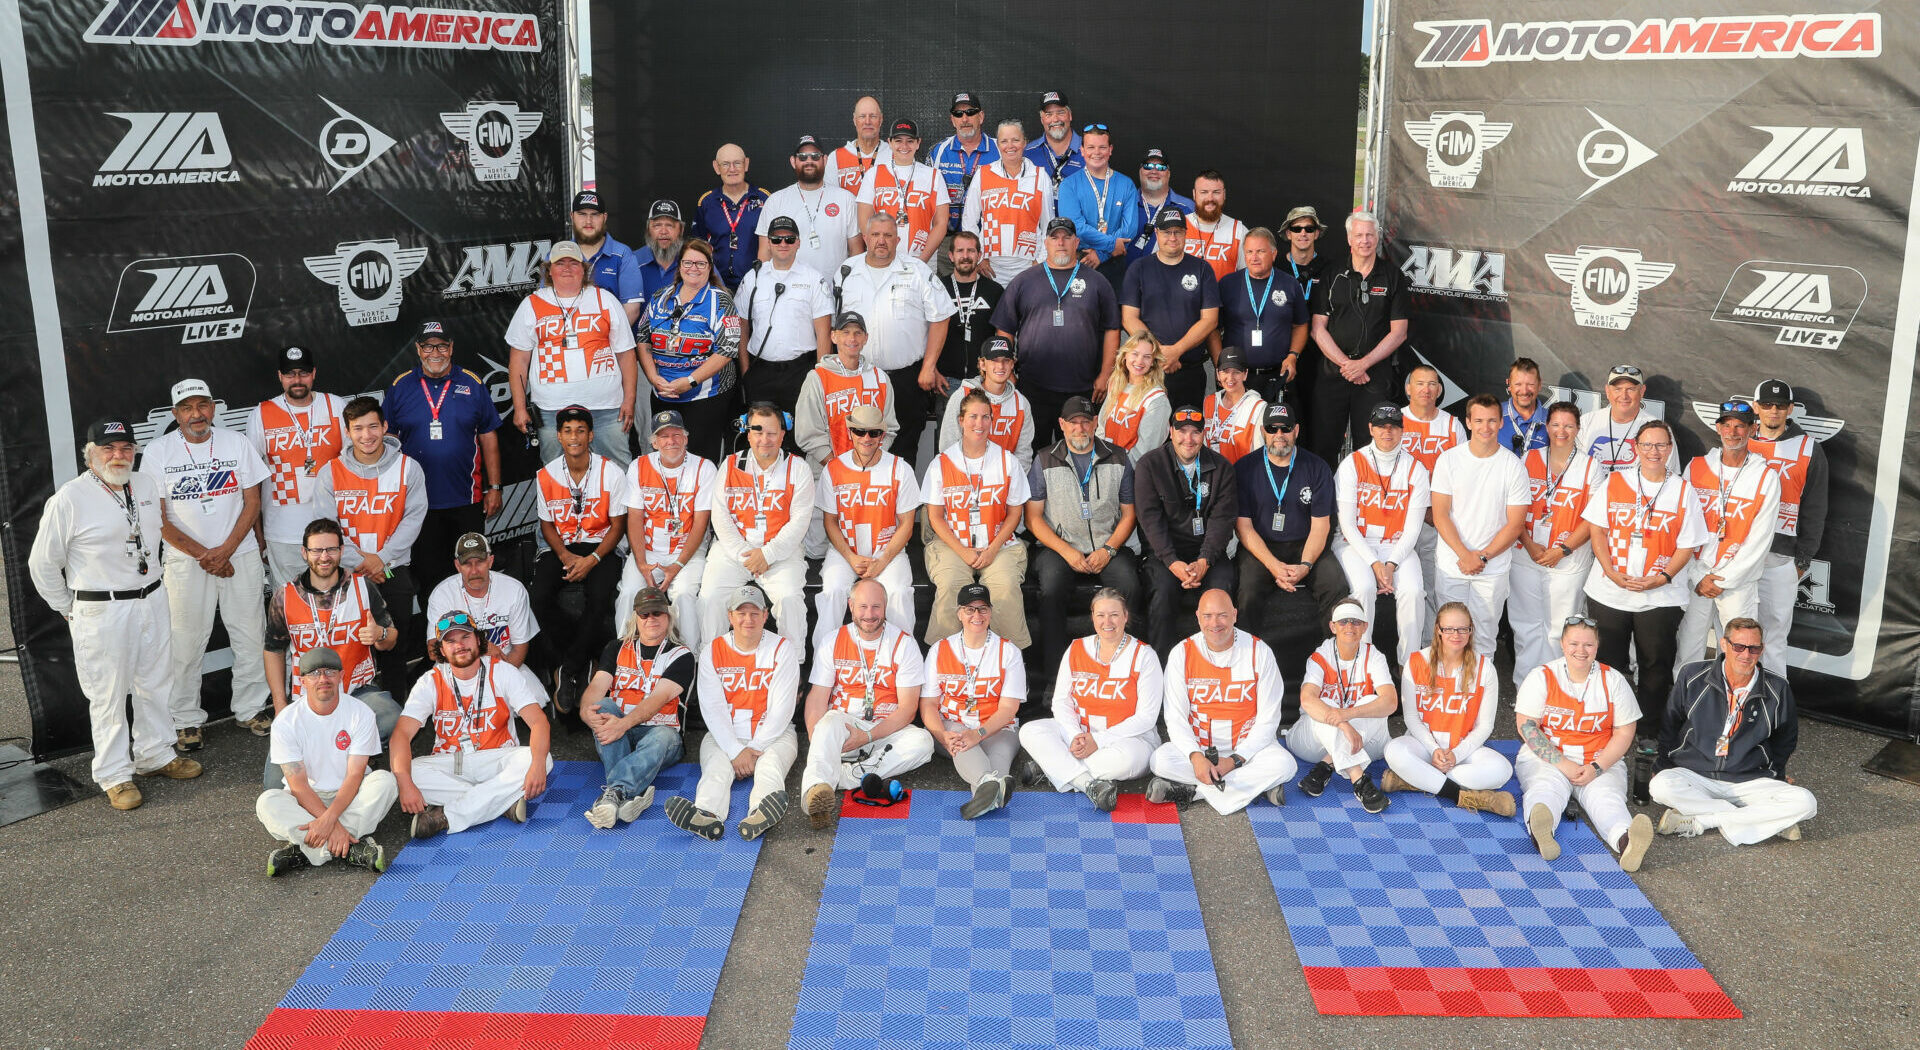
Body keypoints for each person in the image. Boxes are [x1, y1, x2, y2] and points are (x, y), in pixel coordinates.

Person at [28, 417, 197, 810]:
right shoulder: (69, 499)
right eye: (108, 448)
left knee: (155, 681)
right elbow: (41, 565)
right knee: (107, 694)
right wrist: (71, 609)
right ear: (90, 456)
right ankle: (114, 774)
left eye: (125, 448)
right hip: (101, 609)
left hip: (151, 598)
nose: (118, 455)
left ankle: (155, 754)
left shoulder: (146, 485)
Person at [142, 378, 270, 749]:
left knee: (249, 634)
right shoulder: (158, 452)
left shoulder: (237, 443)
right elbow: (159, 518)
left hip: (240, 554)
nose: (196, 414)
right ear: (175, 414)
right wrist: (206, 556)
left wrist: (226, 550)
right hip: (186, 562)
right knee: (185, 642)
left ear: (213, 408)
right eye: (187, 407)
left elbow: (253, 503)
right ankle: (185, 720)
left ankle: (250, 709)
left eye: (202, 405)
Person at [1581, 419, 1708, 742]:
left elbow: (1688, 544)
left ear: (1670, 449)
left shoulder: (1683, 490)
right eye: (1647, 445)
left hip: (1661, 595)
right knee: (1608, 664)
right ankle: (1606, 727)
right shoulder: (1615, 482)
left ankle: (1648, 732)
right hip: (1610, 592)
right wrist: (1609, 571)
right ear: (1636, 448)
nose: (1654, 451)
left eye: (1661, 445)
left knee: (1655, 666)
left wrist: (1661, 578)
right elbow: (1597, 528)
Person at [1652, 618, 1817, 844]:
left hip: (1749, 779)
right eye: (1738, 646)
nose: (1745, 655)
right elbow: (1671, 723)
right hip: (1696, 772)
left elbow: (1786, 738)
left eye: (1754, 648)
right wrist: (1661, 765)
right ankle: (1760, 819)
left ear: (1762, 649)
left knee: (1806, 802)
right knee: (1660, 786)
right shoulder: (1692, 675)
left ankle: (1701, 821)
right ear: (1724, 644)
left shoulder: (1778, 688)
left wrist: (1776, 774)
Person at [263, 519, 403, 783]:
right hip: (307, 699)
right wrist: (281, 706)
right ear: (304, 553)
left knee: (391, 716)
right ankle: (335, 762)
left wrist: (380, 635)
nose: (324, 557)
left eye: (331, 550)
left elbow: (391, 639)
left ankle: (344, 760)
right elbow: (273, 650)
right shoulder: (285, 596)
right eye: (316, 551)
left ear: (341, 551)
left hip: (357, 692)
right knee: (272, 786)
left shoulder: (363, 587)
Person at [392, 611, 553, 839]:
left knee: (541, 759)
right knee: (409, 772)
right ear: (441, 649)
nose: (459, 646)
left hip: (497, 758)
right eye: (450, 641)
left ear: (478, 639)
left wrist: (536, 765)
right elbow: (400, 735)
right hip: (453, 763)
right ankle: (501, 803)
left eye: (465, 637)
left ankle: (445, 816)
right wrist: (406, 783)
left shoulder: (503, 671)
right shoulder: (430, 681)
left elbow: (539, 722)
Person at [1514, 617, 1655, 872]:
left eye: (1588, 645)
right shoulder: (1542, 676)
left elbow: (1625, 732)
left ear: (1597, 646)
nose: (1581, 650)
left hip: (1599, 759)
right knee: (1544, 790)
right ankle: (1542, 833)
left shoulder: (1613, 680)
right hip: (1550, 759)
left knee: (1607, 800)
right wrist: (1563, 764)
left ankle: (1628, 842)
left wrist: (1597, 767)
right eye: (1574, 643)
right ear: (1562, 644)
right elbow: (1527, 727)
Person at [312, 396, 428, 695]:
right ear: (348, 432)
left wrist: (382, 560)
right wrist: (363, 562)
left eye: (373, 426)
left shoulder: (408, 468)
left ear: (385, 426)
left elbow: (414, 518)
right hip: (348, 574)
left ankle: (396, 712)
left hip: (391, 570)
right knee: (348, 646)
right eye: (358, 428)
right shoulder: (330, 472)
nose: (367, 435)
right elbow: (328, 528)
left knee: (394, 644)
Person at [800, 579, 937, 828]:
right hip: (843, 726)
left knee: (923, 743)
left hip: (884, 732)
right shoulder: (833, 640)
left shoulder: (904, 644)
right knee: (827, 721)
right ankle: (814, 793)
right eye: (862, 607)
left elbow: (907, 709)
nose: (869, 615)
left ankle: (838, 778)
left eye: (876, 607)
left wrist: (867, 737)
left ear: (886, 607)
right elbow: (817, 698)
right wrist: (817, 740)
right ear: (851, 606)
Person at [1233, 402, 1345, 700]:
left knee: (1336, 586)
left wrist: (1306, 565)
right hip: (1261, 546)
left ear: (1296, 430)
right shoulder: (1245, 468)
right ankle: (1245, 671)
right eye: (1272, 429)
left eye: (1285, 428)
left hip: (1306, 544)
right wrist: (1273, 566)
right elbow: (1243, 527)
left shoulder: (1317, 467)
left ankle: (1335, 670)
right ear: (1263, 432)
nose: (1279, 434)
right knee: (1248, 591)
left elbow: (1322, 526)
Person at [670, 583, 799, 841]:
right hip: (725, 734)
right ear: (730, 616)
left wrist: (753, 749)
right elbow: (712, 708)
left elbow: (782, 709)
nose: (747, 619)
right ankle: (706, 815)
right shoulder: (713, 650)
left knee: (770, 767)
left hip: (775, 734)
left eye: (754, 613)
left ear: (765, 615)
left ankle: (760, 813)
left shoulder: (782, 648)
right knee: (716, 769)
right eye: (741, 613)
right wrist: (734, 750)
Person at [383, 320, 504, 596]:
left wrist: (494, 487)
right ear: (417, 349)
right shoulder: (401, 387)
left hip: (466, 499)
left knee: (472, 572)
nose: (434, 352)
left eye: (441, 345)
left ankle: (473, 633)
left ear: (451, 348)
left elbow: (488, 438)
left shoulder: (472, 384)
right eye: (427, 346)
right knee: (428, 576)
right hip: (418, 504)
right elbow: (387, 443)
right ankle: (434, 637)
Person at [1148, 588, 1293, 813]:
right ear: (1197, 617)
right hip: (1201, 747)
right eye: (1207, 616)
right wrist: (1196, 757)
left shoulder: (1259, 651)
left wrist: (1235, 760)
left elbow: (1269, 720)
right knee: (1159, 760)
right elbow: (1175, 718)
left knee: (1285, 764)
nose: (1215, 623)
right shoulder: (1182, 653)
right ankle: (1255, 788)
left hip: (1246, 750)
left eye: (1222, 615)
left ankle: (1192, 792)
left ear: (1235, 615)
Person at [1017, 587, 1161, 811]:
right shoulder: (1077, 648)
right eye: (1100, 615)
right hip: (1080, 734)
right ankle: (1088, 784)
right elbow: (1061, 702)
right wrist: (1075, 735)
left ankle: (1052, 768)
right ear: (1092, 616)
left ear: (1126, 616)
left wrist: (1099, 741)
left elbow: (1147, 718)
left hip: (1127, 740)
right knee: (1029, 730)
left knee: (1127, 761)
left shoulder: (1144, 655)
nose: (1107, 622)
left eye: (1114, 614)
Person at [257, 646, 396, 875]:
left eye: (330, 672)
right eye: (314, 673)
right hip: (308, 800)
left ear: (341, 676)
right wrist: (332, 825)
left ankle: (306, 851)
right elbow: (299, 787)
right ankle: (350, 847)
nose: (323, 679)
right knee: (267, 802)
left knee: (385, 782)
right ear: (302, 681)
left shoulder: (361, 713)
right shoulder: (286, 721)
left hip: (351, 793)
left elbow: (355, 774)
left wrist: (328, 821)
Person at [1026, 396, 1140, 673]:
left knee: (1131, 586)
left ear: (1095, 424)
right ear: (1062, 425)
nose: (1080, 428)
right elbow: (1032, 519)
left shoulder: (1119, 457)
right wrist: (1067, 551)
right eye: (1073, 422)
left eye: (1086, 422)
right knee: (1051, 591)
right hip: (1057, 548)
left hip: (1107, 546)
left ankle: (1129, 669)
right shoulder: (1043, 460)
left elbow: (1129, 514)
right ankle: (1054, 677)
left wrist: (1109, 549)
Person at [530, 406, 629, 710]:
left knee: (599, 597)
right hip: (562, 548)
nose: (574, 437)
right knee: (538, 596)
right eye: (568, 431)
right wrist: (564, 555)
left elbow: (618, 525)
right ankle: (581, 655)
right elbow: (547, 524)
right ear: (558, 436)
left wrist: (593, 560)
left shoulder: (611, 472)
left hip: (601, 548)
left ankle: (570, 667)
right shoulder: (545, 475)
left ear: (591, 435)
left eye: (580, 430)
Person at [989, 217, 1120, 446]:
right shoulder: (1024, 281)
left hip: (1082, 388)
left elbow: (1112, 330)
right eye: (1054, 237)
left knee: (1077, 452)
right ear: (1045, 242)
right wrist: (1008, 372)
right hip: (1032, 387)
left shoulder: (1098, 282)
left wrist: (1105, 375)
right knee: (1032, 452)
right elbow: (1005, 329)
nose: (1061, 242)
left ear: (1076, 242)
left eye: (1067, 237)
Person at [506, 240, 639, 466]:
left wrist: (629, 399)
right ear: (549, 270)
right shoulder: (532, 304)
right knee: (556, 474)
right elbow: (518, 360)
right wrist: (519, 408)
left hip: (606, 408)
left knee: (616, 470)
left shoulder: (605, 299)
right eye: (560, 263)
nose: (567, 268)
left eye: (573, 263)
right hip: (551, 410)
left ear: (584, 269)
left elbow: (626, 354)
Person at [830, 221, 953, 456]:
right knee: (856, 447)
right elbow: (833, 322)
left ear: (898, 240)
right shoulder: (847, 271)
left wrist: (929, 366)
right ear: (865, 238)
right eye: (875, 234)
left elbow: (941, 316)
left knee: (904, 449)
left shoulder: (916, 270)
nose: (881, 240)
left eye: (888, 235)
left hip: (905, 379)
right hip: (858, 378)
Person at [1382, 602, 1517, 815]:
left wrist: (1456, 754)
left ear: (1471, 630)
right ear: (1438, 630)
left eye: (1463, 629)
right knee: (1394, 751)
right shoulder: (1417, 661)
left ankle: (1415, 781)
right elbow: (1410, 716)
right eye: (1449, 629)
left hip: (1462, 750)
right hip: (1423, 747)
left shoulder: (1485, 668)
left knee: (1503, 771)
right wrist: (1433, 749)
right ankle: (1466, 797)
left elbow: (1485, 726)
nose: (1457, 634)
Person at [1676, 400, 1782, 670]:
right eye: (1727, 425)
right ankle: (1686, 707)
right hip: (1696, 576)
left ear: (1752, 429)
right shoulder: (1697, 466)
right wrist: (1697, 574)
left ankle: (1734, 707)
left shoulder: (1765, 476)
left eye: (1740, 426)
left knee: (1740, 654)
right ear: (1718, 427)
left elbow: (1761, 539)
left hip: (1737, 582)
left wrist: (1726, 578)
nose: (1733, 432)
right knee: (1688, 648)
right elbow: (1681, 525)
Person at [921, 390, 1031, 646]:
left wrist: (992, 550)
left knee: (1005, 588)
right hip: (953, 544)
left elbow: (1015, 513)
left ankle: (1009, 663)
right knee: (950, 586)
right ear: (960, 420)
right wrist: (962, 551)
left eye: (985, 417)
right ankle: (943, 664)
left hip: (998, 544)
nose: (979, 424)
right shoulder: (942, 462)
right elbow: (935, 517)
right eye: (973, 417)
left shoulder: (1007, 461)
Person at [700, 402, 814, 649]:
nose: (765, 439)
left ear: (783, 435)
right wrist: (746, 556)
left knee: (790, 599)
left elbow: (799, 522)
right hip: (734, 551)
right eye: (758, 431)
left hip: (781, 553)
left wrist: (768, 554)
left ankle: (793, 666)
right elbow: (720, 517)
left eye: (772, 432)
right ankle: (710, 662)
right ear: (748, 434)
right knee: (710, 598)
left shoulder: (799, 468)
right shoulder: (729, 464)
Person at [580, 587, 696, 828]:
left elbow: (658, 699)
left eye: (657, 613)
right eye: (645, 614)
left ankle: (614, 792)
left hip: (659, 738)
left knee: (664, 735)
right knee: (601, 706)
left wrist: (621, 725)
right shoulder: (616, 647)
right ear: (635, 617)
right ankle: (623, 799)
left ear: (668, 616)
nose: (651, 619)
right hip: (619, 731)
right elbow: (596, 688)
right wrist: (586, 713)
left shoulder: (682, 655)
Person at [1429, 395, 1530, 656]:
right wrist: (1465, 555)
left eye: (1492, 421)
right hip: (1452, 565)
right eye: (1479, 421)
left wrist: (1482, 557)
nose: (1486, 427)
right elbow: (1440, 515)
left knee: (1484, 636)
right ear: (1468, 423)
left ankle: (1480, 695)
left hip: (1493, 568)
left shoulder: (1513, 466)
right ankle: (1450, 691)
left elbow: (1516, 523)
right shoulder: (1448, 460)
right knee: (1449, 635)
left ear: (1501, 423)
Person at [1509, 402, 1600, 687]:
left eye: (1569, 425)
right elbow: (1515, 509)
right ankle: (1526, 683)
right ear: (1546, 427)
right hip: (1527, 554)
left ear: (1578, 429)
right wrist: (1529, 543)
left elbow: (1592, 518)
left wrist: (1563, 549)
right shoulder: (1528, 458)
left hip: (1568, 560)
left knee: (1559, 627)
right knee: (1525, 624)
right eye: (1556, 425)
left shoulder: (1590, 466)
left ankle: (1557, 685)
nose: (1562, 431)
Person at [1134, 406, 1238, 655]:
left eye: (1195, 432)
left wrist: (1204, 561)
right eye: (1182, 431)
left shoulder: (1222, 467)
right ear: (1170, 432)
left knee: (1221, 591)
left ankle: (1219, 664)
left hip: (1208, 553)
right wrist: (1173, 562)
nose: (1188, 439)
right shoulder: (1150, 464)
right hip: (1164, 554)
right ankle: (1161, 668)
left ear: (1205, 435)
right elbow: (1150, 520)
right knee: (1163, 592)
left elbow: (1222, 521)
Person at [815, 404, 919, 652]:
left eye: (874, 432)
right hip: (844, 551)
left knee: (898, 593)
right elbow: (830, 521)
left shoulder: (900, 468)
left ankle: (904, 660)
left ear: (883, 435)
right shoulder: (833, 469)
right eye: (860, 432)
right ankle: (823, 665)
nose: (866, 438)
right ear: (850, 432)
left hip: (887, 551)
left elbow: (907, 523)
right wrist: (850, 557)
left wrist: (881, 562)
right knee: (832, 592)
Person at [1332, 404, 1431, 664]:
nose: (1387, 431)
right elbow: (1347, 525)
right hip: (1354, 543)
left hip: (1398, 546)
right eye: (1381, 425)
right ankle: (1362, 664)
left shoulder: (1416, 469)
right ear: (1370, 429)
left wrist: (1391, 563)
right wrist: (1375, 564)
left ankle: (1408, 666)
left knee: (1413, 591)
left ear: (1402, 430)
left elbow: (1413, 529)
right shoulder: (1352, 464)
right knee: (1363, 587)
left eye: (1394, 426)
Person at [921, 583, 1027, 819]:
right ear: (959, 613)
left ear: (990, 612)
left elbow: (1009, 709)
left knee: (999, 757)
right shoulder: (940, 649)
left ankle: (986, 792)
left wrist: (978, 733)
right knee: (960, 742)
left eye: (982, 609)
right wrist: (940, 734)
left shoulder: (1009, 651)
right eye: (969, 609)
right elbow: (928, 704)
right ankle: (989, 786)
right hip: (952, 724)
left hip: (997, 726)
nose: (976, 615)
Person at [1308, 211, 1409, 462]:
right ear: (1349, 239)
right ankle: (1324, 500)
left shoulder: (1393, 276)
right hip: (1334, 374)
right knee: (1324, 444)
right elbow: (1317, 328)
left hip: (1374, 376)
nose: (1365, 240)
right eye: (1359, 235)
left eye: (1370, 235)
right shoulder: (1332, 274)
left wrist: (1363, 364)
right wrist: (1347, 365)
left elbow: (1399, 333)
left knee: (1371, 448)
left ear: (1378, 238)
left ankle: (1368, 499)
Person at [614, 410, 717, 654]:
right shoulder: (639, 466)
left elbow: (701, 524)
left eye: (676, 434)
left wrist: (678, 565)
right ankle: (623, 657)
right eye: (663, 436)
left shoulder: (704, 468)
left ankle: (689, 659)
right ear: (654, 442)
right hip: (648, 549)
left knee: (683, 595)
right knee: (629, 592)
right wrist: (641, 564)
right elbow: (635, 518)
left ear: (686, 438)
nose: (670, 441)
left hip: (688, 551)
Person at [1747, 378, 1830, 676]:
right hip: (1739, 553)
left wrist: (1803, 559)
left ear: (1790, 409)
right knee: (1734, 634)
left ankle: (1773, 709)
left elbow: (1815, 509)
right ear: (1756, 407)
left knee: (1774, 636)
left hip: (1780, 556)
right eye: (1767, 405)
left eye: (1780, 406)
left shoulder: (1808, 448)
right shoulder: (1739, 439)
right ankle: (1728, 703)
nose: (1773, 411)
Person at [1287, 598, 1398, 813]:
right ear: (1333, 627)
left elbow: (1391, 702)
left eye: (1356, 622)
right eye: (1343, 621)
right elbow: (1307, 700)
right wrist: (1343, 724)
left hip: (1364, 742)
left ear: (1365, 626)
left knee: (1371, 702)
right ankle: (1358, 778)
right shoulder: (1320, 656)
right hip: (1312, 743)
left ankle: (1326, 764)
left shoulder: (1374, 656)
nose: (1349, 627)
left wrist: (1347, 714)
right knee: (1324, 704)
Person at [247, 345, 345, 586]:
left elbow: (354, 464)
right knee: (291, 603)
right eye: (290, 374)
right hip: (283, 531)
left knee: (335, 599)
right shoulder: (262, 413)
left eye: (303, 373)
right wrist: (258, 533)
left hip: (333, 527)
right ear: (280, 376)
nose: (297, 380)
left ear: (314, 373)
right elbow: (250, 480)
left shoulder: (335, 405)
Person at [638, 239, 742, 463]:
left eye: (700, 263)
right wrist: (653, 377)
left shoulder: (720, 301)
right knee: (666, 459)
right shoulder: (660, 298)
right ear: (679, 265)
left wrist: (691, 380)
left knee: (701, 462)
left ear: (710, 267)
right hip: (663, 394)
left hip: (705, 396)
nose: (693, 268)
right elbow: (643, 340)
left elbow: (727, 349)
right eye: (688, 262)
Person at [1121, 208, 1220, 411]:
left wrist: (1177, 350)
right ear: (1157, 233)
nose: (1172, 237)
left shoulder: (1202, 269)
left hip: (1189, 370)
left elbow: (1210, 320)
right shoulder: (1139, 268)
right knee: (1147, 436)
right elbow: (1128, 318)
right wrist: (1159, 354)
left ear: (1186, 233)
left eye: (1178, 231)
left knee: (1187, 434)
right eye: (1167, 232)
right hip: (1149, 370)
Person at [735, 215, 833, 415]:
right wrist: (746, 372)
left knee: (800, 438)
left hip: (800, 372)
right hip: (760, 371)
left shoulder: (813, 278)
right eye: (776, 239)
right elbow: (741, 327)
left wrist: (821, 378)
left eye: (789, 239)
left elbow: (824, 334)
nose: (783, 244)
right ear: (768, 243)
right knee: (761, 438)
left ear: (798, 243)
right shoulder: (753, 277)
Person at [1215, 229, 1308, 406]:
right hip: (1237, 378)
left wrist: (1293, 356)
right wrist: (1220, 362)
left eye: (1260, 251)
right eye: (1249, 252)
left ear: (1273, 254)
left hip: (1277, 377)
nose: (1254, 257)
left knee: (1274, 431)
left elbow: (1301, 325)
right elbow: (1213, 328)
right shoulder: (1228, 284)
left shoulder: (1289, 284)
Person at [795, 311, 899, 470]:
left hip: (871, 471)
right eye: (845, 332)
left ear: (866, 338)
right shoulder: (817, 378)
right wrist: (839, 469)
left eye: (858, 333)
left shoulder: (880, 378)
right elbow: (807, 434)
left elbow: (889, 428)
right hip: (826, 472)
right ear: (833, 336)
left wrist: (869, 463)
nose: (852, 338)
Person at [1399, 364, 1466, 608]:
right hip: (1399, 518)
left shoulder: (1452, 426)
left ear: (1439, 390)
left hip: (1434, 520)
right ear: (1408, 388)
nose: (1426, 389)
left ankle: (1428, 643)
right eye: (1419, 383)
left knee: (1430, 587)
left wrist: (1434, 511)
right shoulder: (1395, 420)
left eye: (1431, 384)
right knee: (1403, 590)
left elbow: (1460, 478)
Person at [961, 117, 1054, 282]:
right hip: (991, 267)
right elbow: (969, 220)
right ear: (998, 145)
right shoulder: (983, 174)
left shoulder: (1039, 176)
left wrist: (1040, 261)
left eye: (1015, 140)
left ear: (1024, 142)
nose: (1010, 146)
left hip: (1028, 265)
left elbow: (1048, 224)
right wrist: (979, 257)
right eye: (1004, 141)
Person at [424, 532, 537, 668]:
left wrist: (504, 681)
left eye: (480, 562)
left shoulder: (514, 589)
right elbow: (433, 651)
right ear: (457, 566)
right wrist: (481, 646)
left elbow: (520, 648)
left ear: (490, 561)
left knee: (535, 690)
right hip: (457, 671)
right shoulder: (442, 594)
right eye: (467, 564)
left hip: (504, 667)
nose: (474, 571)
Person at [756, 135, 863, 277]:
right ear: (793, 162)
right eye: (803, 157)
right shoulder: (776, 201)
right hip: (788, 292)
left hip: (834, 291)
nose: (809, 161)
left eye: (815, 156)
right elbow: (765, 253)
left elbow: (856, 253)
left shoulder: (845, 199)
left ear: (824, 160)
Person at [1052, 123, 1139, 287]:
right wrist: (1111, 245)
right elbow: (1076, 226)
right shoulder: (1069, 185)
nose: (1097, 153)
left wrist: (1101, 253)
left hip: (1114, 264)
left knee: (1113, 313)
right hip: (1081, 260)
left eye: (1102, 147)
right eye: (1091, 147)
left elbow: (1129, 229)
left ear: (1110, 149)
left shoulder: (1126, 184)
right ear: (1082, 150)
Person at [855, 119, 950, 266]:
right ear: (890, 143)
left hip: (922, 261)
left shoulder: (934, 175)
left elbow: (941, 223)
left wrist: (922, 261)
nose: (904, 146)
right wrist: (879, 253)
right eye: (898, 140)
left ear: (918, 143)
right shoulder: (873, 174)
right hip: (882, 260)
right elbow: (864, 222)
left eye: (910, 141)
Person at [936, 336, 1035, 472]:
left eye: (1006, 361)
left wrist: (1011, 484)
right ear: (982, 364)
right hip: (966, 481)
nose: (1000, 366)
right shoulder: (963, 396)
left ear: (1012, 364)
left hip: (1005, 483)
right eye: (994, 360)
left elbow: (1023, 455)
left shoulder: (1021, 403)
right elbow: (948, 447)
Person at [927, 231, 1003, 388]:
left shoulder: (994, 290)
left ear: (979, 255)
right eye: (960, 251)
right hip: (946, 379)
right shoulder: (937, 288)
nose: (965, 256)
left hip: (985, 379)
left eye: (971, 251)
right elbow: (924, 333)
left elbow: (1002, 335)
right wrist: (931, 368)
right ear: (951, 256)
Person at [929, 92, 993, 275]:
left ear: (981, 116)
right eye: (958, 114)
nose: (964, 118)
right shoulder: (938, 151)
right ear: (952, 119)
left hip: (985, 244)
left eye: (970, 112)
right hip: (945, 243)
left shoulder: (999, 149)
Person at [1279, 206, 1332, 424]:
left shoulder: (1330, 268)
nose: (1303, 233)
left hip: (1320, 354)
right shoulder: (1276, 266)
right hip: (1283, 350)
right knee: (1285, 415)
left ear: (1317, 233)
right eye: (1297, 228)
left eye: (1309, 228)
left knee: (1316, 417)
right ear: (1288, 233)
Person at [693, 143, 771, 290]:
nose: (732, 169)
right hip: (716, 286)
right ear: (716, 167)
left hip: (756, 286)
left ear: (746, 164)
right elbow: (697, 248)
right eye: (725, 164)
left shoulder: (765, 199)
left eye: (737, 163)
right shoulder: (706, 202)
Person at [1576, 365, 1678, 477]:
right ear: (1607, 391)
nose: (1624, 396)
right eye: (1617, 389)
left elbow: (1667, 479)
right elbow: (1574, 470)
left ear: (1642, 391)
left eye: (1631, 389)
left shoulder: (1659, 430)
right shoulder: (1586, 422)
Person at [570, 189, 645, 327]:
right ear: (572, 216)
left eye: (595, 214)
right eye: (582, 214)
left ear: (604, 217)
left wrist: (603, 344)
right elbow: (546, 304)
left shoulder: (622, 254)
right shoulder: (557, 255)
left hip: (609, 344)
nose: (588, 221)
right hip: (566, 343)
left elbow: (632, 310)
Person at [1096, 331, 1170, 462]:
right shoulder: (1116, 385)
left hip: (1131, 475)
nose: (1139, 361)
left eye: (1147, 357)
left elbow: (1144, 453)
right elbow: (1101, 429)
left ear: (1153, 362)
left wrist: (1117, 470)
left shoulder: (1156, 399)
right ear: (1125, 355)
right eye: (1135, 354)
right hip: (1106, 467)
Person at [1125, 148, 1193, 266]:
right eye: (1148, 166)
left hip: (1170, 280)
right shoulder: (1124, 203)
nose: (1154, 171)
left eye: (1161, 167)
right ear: (1140, 171)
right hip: (1125, 280)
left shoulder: (1187, 208)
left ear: (1169, 173)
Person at [1203, 347, 1266, 464]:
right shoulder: (1209, 402)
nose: (1230, 378)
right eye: (1225, 371)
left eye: (1236, 372)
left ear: (1245, 374)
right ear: (1217, 373)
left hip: (1242, 477)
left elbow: (1259, 453)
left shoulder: (1257, 406)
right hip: (1213, 476)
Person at [1182, 170, 1247, 281]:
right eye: (1204, 192)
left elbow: (1251, 277)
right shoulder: (1178, 225)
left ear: (1224, 194)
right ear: (1194, 194)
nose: (1210, 198)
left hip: (1223, 298)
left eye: (1216, 192)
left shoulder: (1238, 230)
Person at [825, 95, 885, 195]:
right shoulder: (836, 157)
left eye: (873, 116)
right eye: (862, 116)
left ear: (881, 120)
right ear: (854, 120)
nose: (867, 121)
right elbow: (829, 199)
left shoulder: (894, 155)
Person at [633, 199, 687, 301]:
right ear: (648, 229)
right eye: (657, 225)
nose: (663, 231)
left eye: (669, 225)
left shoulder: (696, 261)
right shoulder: (632, 261)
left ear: (681, 230)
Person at [1023, 91, 1083, 183]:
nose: (1055, 119)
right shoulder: (1027, 154)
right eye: (1048, 114)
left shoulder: (1090, 150)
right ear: (1042, 120)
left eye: (1060, 112)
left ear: (1070, 115)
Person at [1498, 357, 1550, 455]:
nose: (1524, 391)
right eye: (1518, 384)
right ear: (1509, 384)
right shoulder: (1494, 415)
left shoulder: (1552, 420)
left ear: (1539, 385)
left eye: (1530, 384)